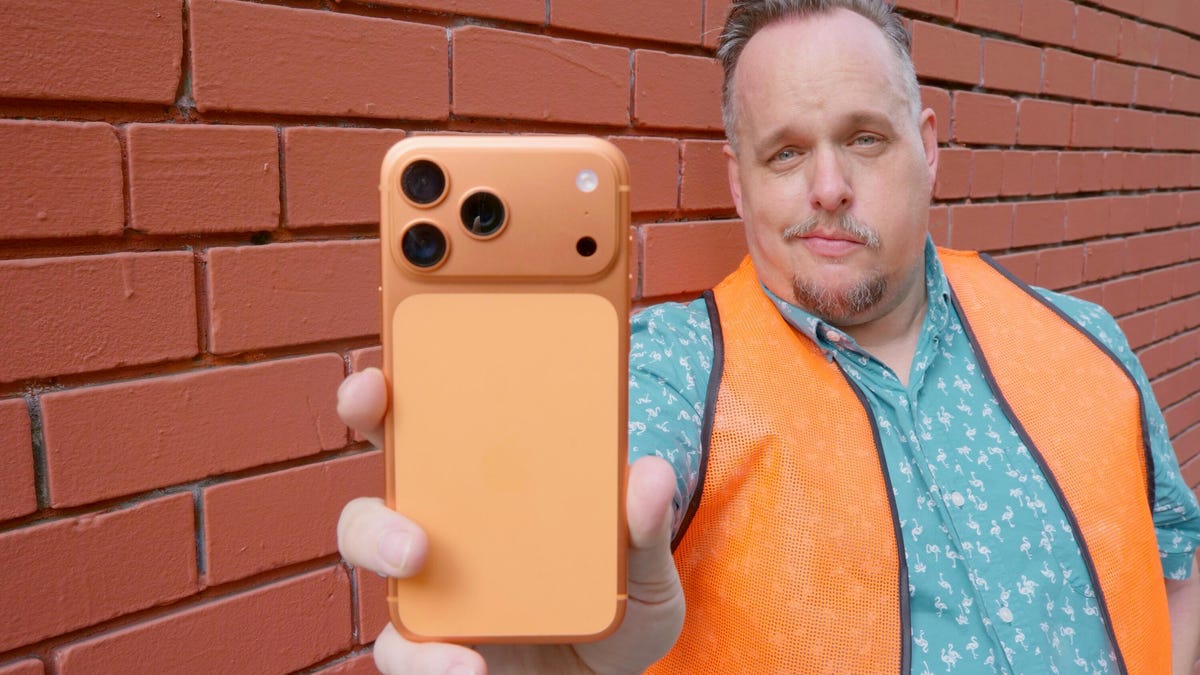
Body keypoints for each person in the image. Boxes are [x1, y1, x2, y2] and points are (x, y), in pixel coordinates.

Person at [336, 1, 1200, 672]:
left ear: (928, 148)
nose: (828, 186)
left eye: (864, 138)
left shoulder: (1087, 339)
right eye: (785, 154)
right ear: (739, 182)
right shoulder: (669, 372)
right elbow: (611, 478)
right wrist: (520, 568)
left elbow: (1176, 558)